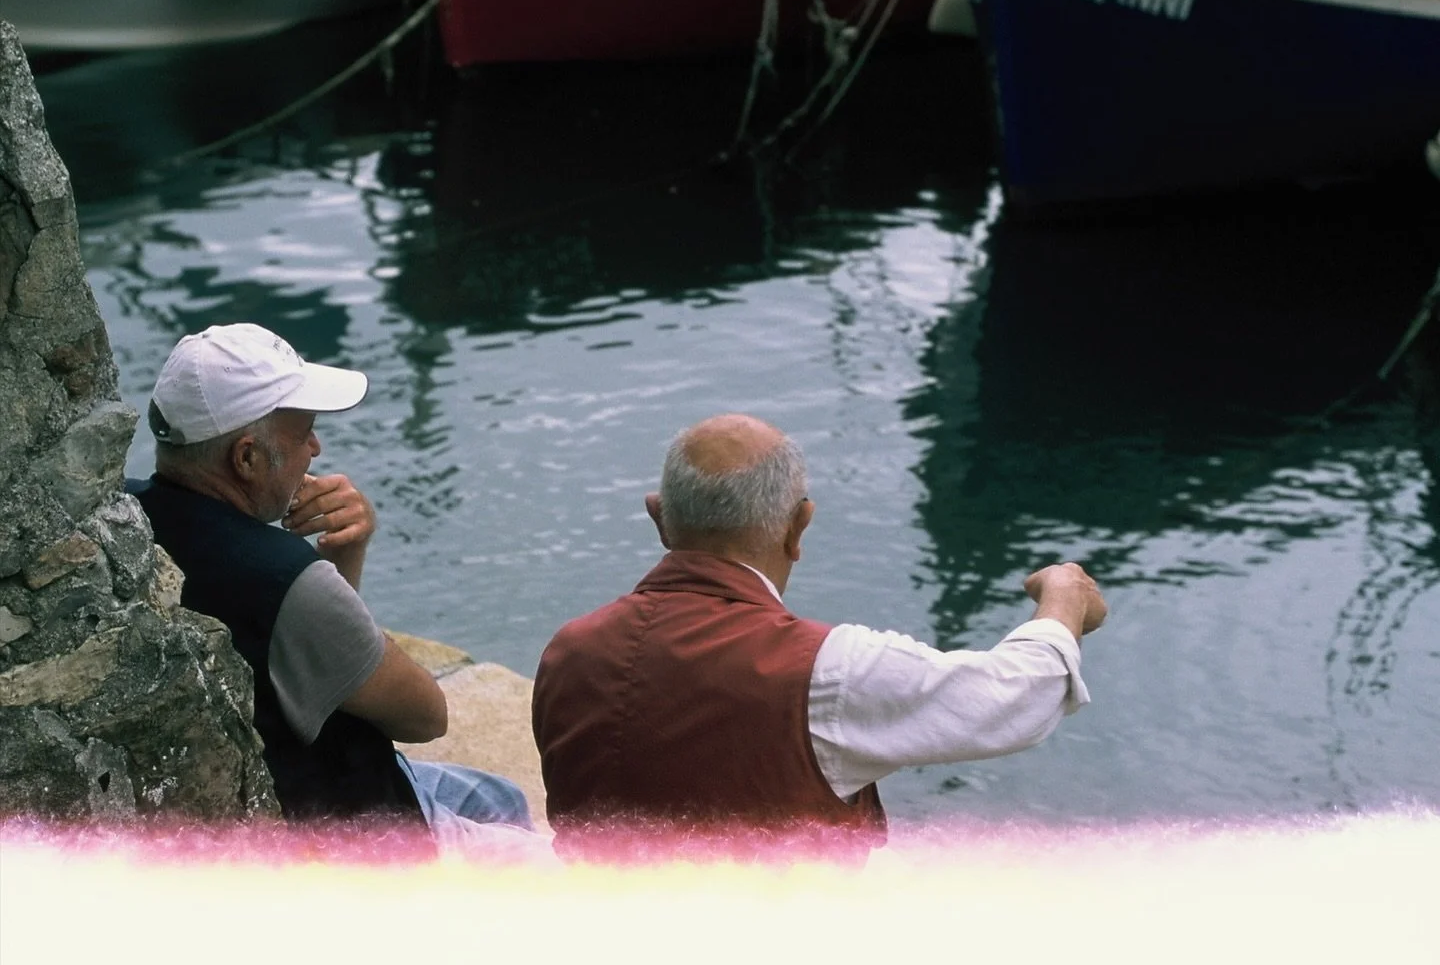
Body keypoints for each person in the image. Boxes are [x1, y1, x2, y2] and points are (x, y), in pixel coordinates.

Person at [532, 413, 1107, 854]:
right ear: (798, 525)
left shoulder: (568, 650)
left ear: (659, 516)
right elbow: (1017, 696)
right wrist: (1064, 598)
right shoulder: (825, 671)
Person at [131, 322, 533, 846]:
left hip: (274, 794)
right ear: (246, 457)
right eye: (303, 433)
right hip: (355, 827)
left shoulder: (126, 519)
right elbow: (425, 715)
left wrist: (344, 552)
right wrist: (320, 574)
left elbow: (313, 655)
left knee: (500, 797)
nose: (316, 449)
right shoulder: (283, 579)